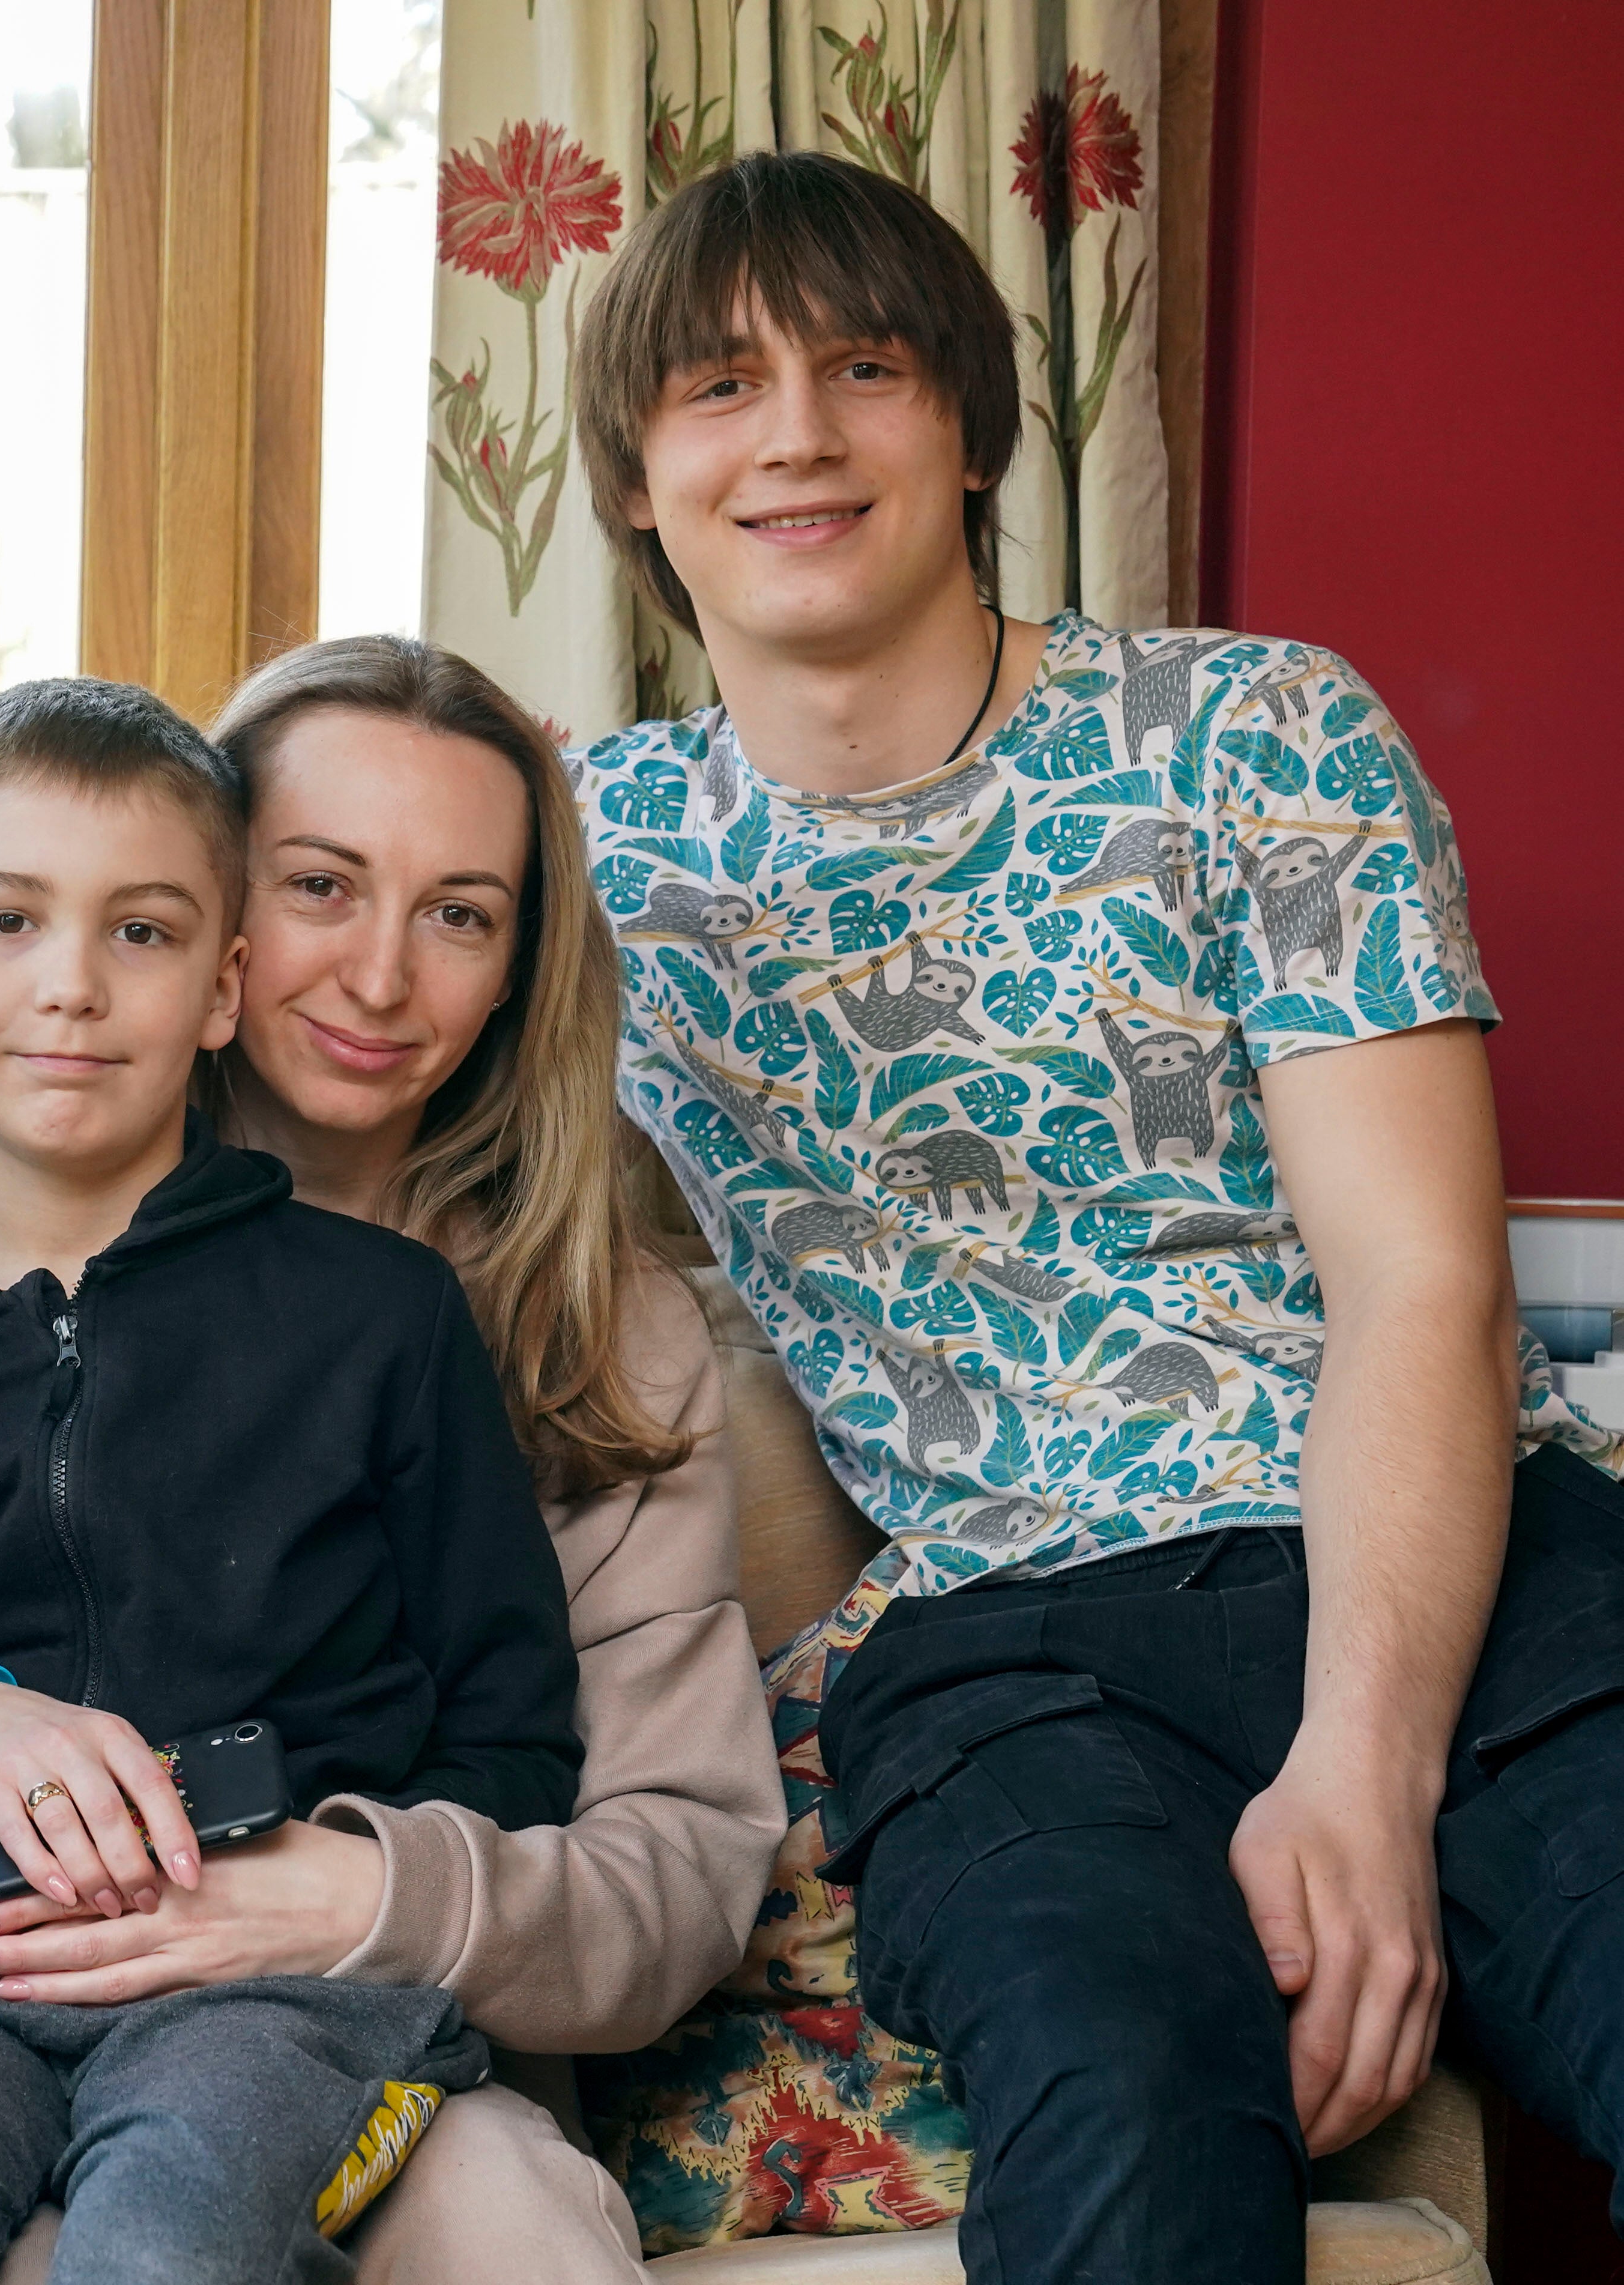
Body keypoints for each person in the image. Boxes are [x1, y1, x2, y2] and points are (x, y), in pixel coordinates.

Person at [560, 150, 1624, 2281]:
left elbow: (1425, 1287)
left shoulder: (1254, 734)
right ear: (633, 482)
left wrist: (1359, 1774)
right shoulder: (595, 856)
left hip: (1458, 1562)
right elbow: (281, 1073)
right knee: (1126, 2127)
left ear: (966, 425)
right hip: (1010, 1654)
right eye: (715, 388)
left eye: (861, 367)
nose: (794, 434)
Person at [0, 640, 789, 2280]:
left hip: (340, 2022)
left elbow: (668, 1857)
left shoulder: (573, 1330)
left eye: (461, 913)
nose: (376, 976)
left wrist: (340, 1897)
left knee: (473, 2233)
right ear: (223, 910)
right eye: (321, 885)